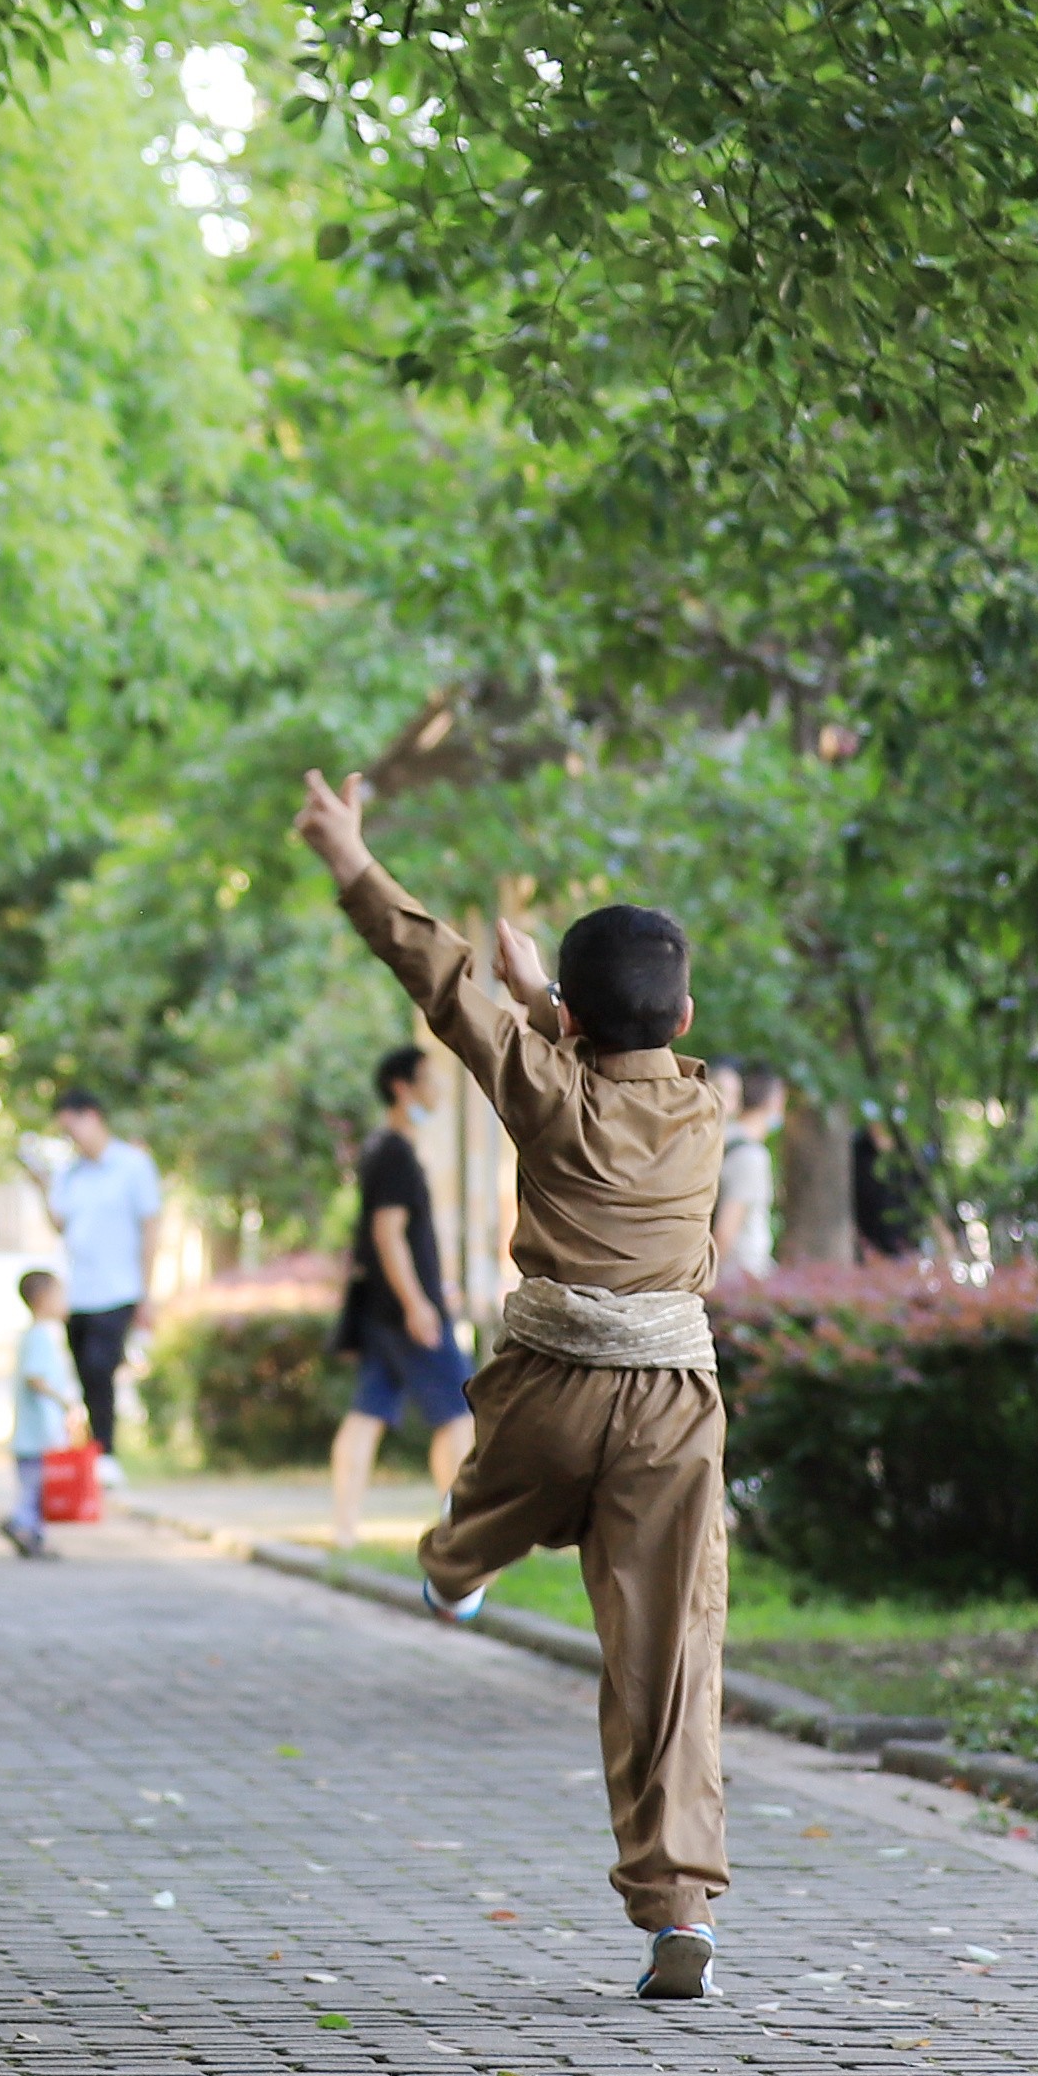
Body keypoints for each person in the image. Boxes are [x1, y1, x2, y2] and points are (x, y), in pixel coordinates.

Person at [290, 769, 740, 2001]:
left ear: (570, 1025)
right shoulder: (704, 1110)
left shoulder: (546, 1091)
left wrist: (354, 859)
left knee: (481, 1512)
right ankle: (677, 1904)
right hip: (669, 1411)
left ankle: (456, 1570)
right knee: (668, 1658)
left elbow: (445, 984)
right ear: (685, 1009)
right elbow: (605, 1049)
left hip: (548, 1389)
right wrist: (557, 996)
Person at [331, 1045, 474, 1545]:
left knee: (367, 1415)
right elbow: (388, 1234)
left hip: (382, 1312)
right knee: (459, 1413)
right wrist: (418, 1304)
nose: (436, 1090)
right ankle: (459, 1529)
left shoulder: (383, 1148)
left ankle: (345, 1531)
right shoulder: (393, 1152)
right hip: (403, 1314)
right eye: (429, 1080)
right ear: (402, 1086)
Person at [35, 1090, 162, 1481]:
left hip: (119, 1288)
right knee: (86, 1374)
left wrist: (147, 1290)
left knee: (100, 1366)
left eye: (72, 1127)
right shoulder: (70, 1173)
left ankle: (106, 1451)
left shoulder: (133, 1166)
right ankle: (92, 1451)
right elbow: (60, 1224)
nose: (71, 1138)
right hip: (80, 1292)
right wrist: (39, 1186)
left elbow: (151, 1225)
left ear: (91, 1116)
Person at [0, 1263, 83, 1562]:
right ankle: (21, 1524)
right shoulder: (39, 1337)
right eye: (60, 1295)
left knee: (39, 1490)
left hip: (39, 1434)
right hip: (36, 1435)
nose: (66, 1302)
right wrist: (64, 1402)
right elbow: (35, 1378)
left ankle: (32, 1536)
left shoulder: (46, 1336)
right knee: (35, 1489)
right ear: (43, 1298)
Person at [713, 1062, 789, 1282]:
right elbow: (724, 1233)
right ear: (773, 1100)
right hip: (740, 1279)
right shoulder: (750, 1156)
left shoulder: (722, 1140)